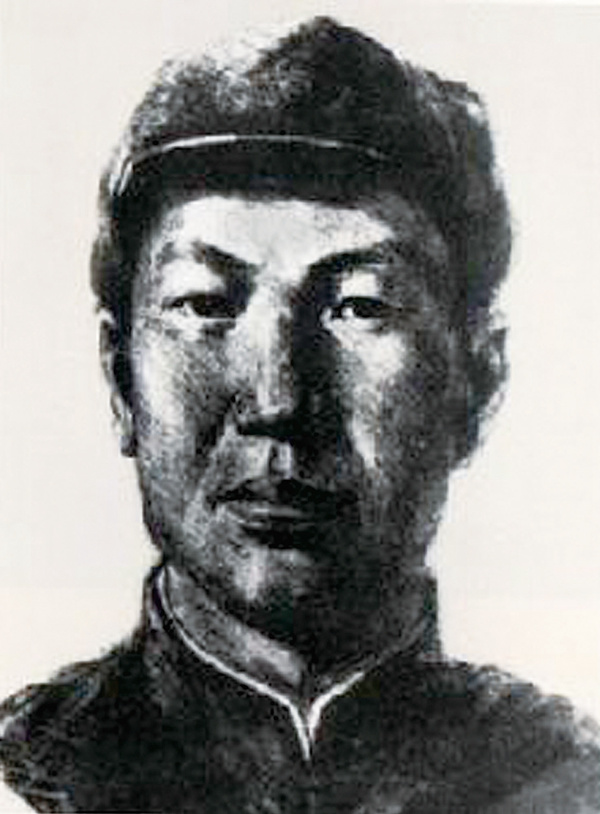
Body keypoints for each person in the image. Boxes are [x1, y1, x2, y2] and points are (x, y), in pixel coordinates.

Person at [0, 16, 598, 814]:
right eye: (205, 304)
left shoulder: (566, 780)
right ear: (120, 378)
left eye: (358, 306)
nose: (278, 401)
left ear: (478, 382)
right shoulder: (28, 774)